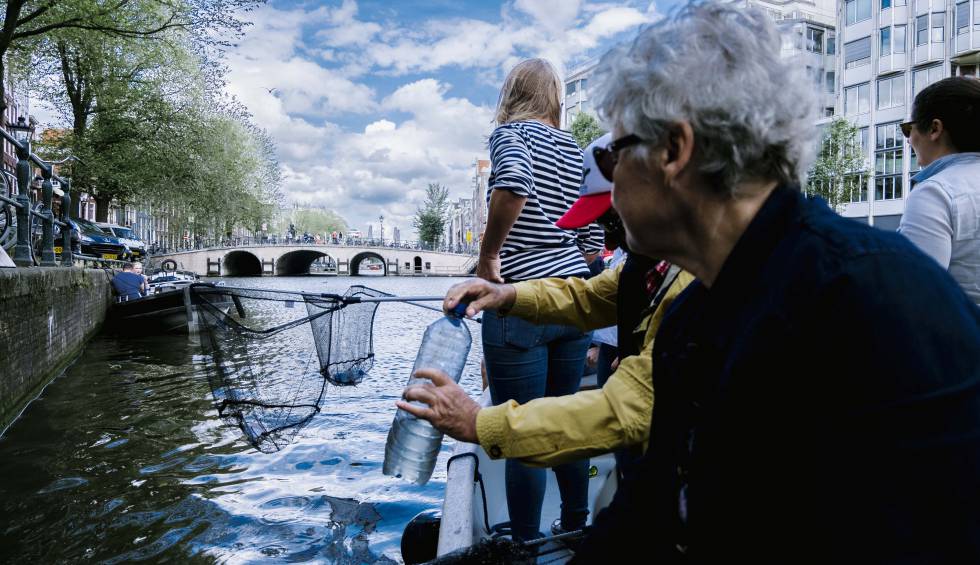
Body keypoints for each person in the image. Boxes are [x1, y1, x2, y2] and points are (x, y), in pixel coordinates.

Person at [531, 3, 980, 562]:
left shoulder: (879, 299)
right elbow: (646, 513)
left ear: (673, 149)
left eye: (613, 152)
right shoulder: (694, 320)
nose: (608, 182)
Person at [476, 57, 604, 541]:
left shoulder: (512, 135)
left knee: (523, 427)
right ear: (555, 98)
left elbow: (511, 183)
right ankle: (574, 526)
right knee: (564, 414)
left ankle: (526, 545)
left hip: (521, 297)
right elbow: (590, 237)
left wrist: (490, 257)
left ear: (512, 93)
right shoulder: (574, 149)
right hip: (571, 298)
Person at [897, 76, 980, 305]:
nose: (908, 140)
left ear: (934, 129)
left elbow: (915, 294)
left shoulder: (935, 193)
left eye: (908, 129)